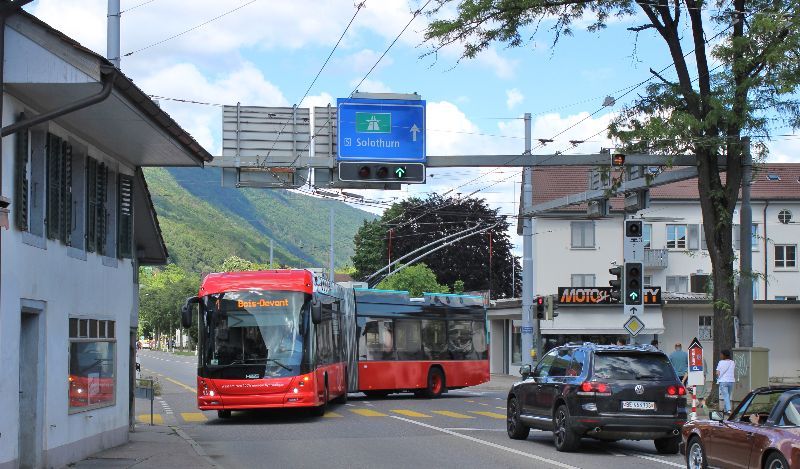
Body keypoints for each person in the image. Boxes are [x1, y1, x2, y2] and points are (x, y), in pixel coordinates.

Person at [716, 350, 736, 414]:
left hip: (723, 381)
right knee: (727, 396)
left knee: (726, 396)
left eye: (721, 354)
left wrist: (718, 377)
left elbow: (717, 373)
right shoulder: (732, 362)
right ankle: (725, 409)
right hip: (731, 381)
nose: (720, 355)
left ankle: (728, 410)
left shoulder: (721, 362)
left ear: (724, 355)